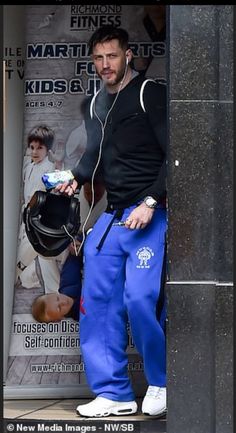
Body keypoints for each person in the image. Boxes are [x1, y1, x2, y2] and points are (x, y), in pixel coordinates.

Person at [56, 25, 167, 418]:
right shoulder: (94, 105)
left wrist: (151, 202)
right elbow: (93, 158)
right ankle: (114, 392)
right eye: (99, 58)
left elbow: (175, 156)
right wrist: (75, 179)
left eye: (112, 56)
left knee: (140, 298)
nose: (106, 65)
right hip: (114, 216)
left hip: (150, 213)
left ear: (128, 55)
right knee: (96, 303)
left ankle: (162, 381)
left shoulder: (148, 93)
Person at [16, 125, 67, 292]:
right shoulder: (29, 166)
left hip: (42, 218)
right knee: (44, 255)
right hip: (29, 215)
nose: (35, 151)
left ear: (48, 149)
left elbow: (64, 177)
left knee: (37, 251)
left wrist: (58, 163)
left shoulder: (49, 169)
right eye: (32, 147)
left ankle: (18, 272)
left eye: (40, 148)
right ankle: (52, 290)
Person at [32, 253, 82, 323]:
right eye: (59, 308)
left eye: (57, 298)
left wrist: (75, 247)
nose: (63, 302)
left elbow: (76, 253)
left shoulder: (67, 281)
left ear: (55, 293)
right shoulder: (83, 317)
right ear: (59, 319)